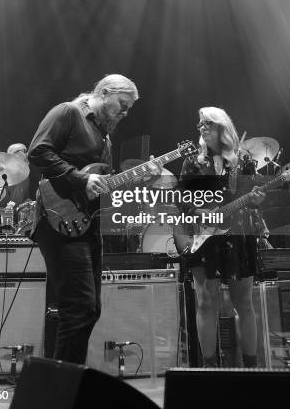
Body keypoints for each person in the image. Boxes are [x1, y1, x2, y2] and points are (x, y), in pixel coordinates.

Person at [27, 74, 161, 365]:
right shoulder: (68, 112)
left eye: (128, 109)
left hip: (86, 225)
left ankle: (63, 383)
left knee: (89, 310)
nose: (124, 113)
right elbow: (37, 151)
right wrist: (80, 178)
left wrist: (137, 180)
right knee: (79, 308)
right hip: (58, 220)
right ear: (104, 92)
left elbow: (102, 188)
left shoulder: (104, 137)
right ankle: (59, 388)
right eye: (121, 105)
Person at [179, 106, 266, 368]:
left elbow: (255, 199)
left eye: (207, 123)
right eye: (200, 124)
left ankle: (251, 367)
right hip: (204, 237)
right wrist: (198, 210)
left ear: (222, 127)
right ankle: (209, 367)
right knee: (206, 302)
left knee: (244, 301)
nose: (201, 128)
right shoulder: (193, 162)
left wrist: (258, 200)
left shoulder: (245, 161)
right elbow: (182, 197)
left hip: (238, 235)